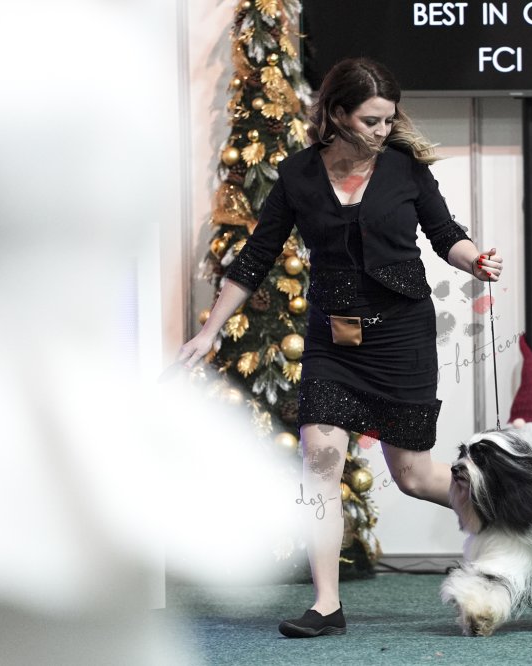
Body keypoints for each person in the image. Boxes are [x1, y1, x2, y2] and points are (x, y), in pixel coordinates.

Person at [178, 58, 502, 634]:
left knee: (413, 476)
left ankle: (510, 512)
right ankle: (326, 604)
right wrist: (209, 332)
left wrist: (474, 259)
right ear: (336, 114)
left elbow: (445, 235)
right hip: (333, 341)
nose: (383, 131)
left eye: (389, 120)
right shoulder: (297, 175)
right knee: (319, 464)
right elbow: (255, 259)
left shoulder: (404, 169)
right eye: (371, 120)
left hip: (401, 335)